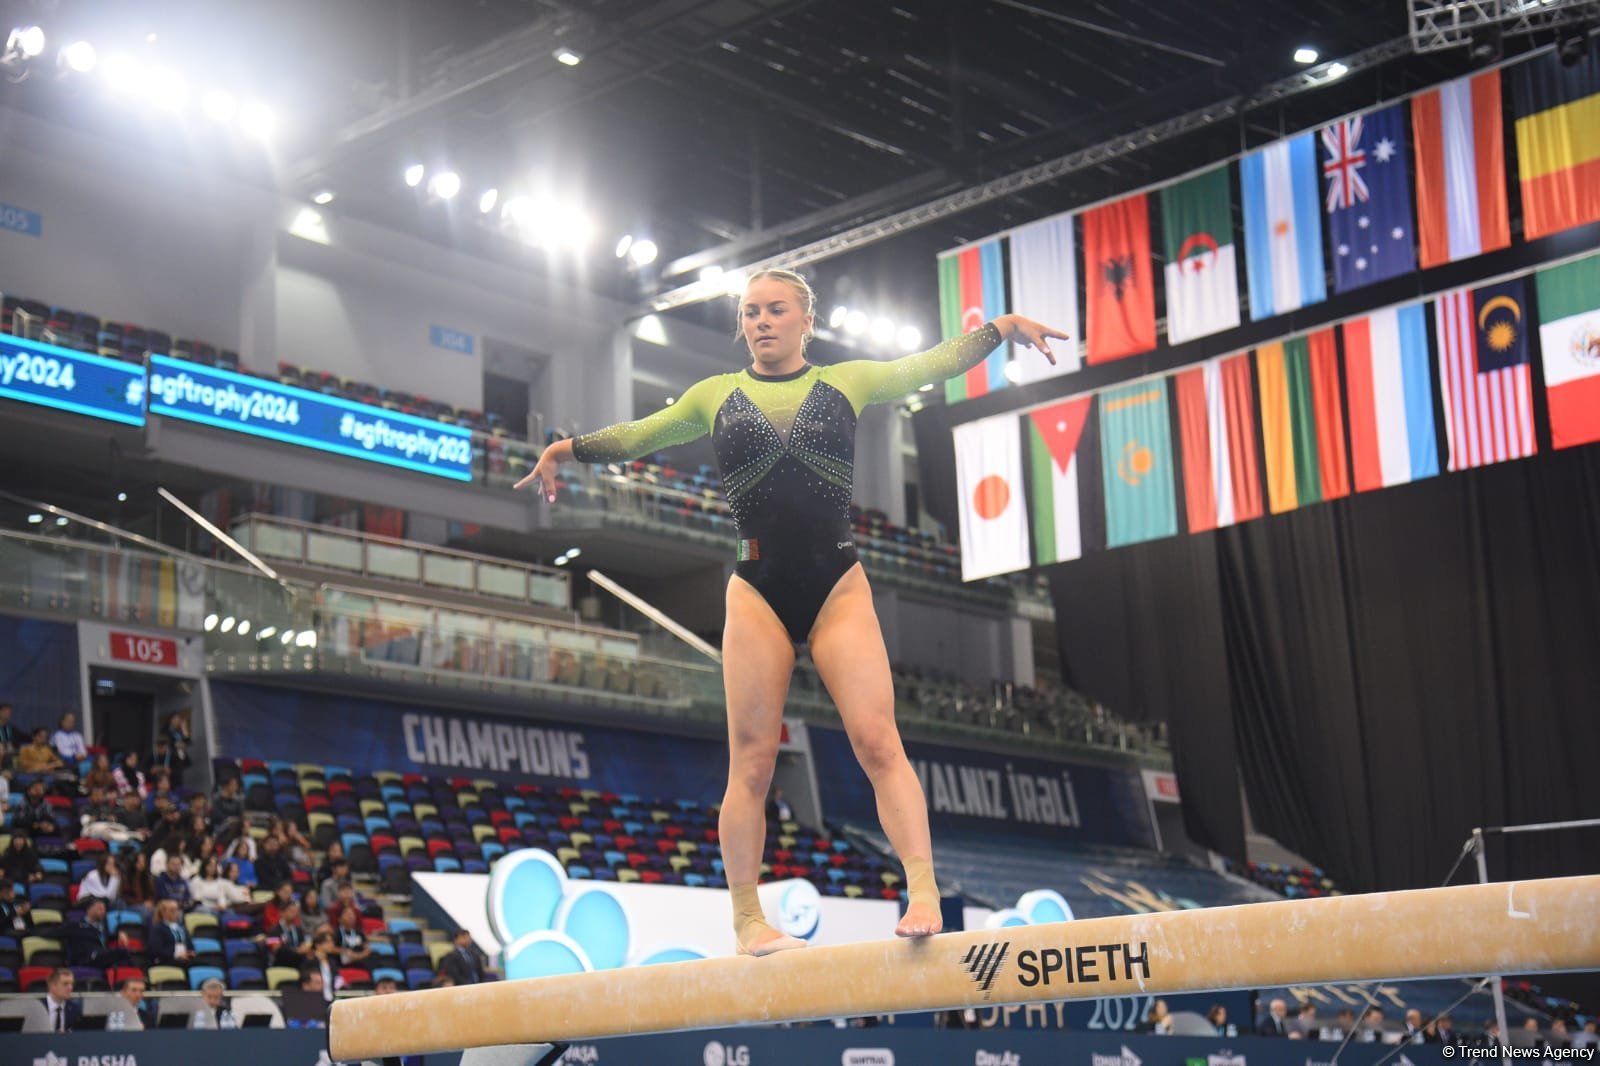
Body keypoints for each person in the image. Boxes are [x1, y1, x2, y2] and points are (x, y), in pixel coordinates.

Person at [516, 270, 1064, 953]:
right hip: (757, 591)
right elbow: (640, 435)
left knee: (876, 740)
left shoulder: (849, 381)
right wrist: (566, 448)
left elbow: (930, 362)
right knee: (750, 765)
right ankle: (748, 919)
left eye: (776, 310)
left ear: (807, 319)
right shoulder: (713, 396)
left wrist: (1002, 330)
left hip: (836, 586)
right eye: (750, 313)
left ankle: (922, 888)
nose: (761, 322)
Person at [62, 897, 135, 968]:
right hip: (86, 958)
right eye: (100, 908)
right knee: (120, 953)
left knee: (125, 952)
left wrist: (119, 933)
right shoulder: (77, 925)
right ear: (89, 909)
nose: (103, 911)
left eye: (104, 909)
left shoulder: (103, 926)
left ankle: (134, 974)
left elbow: (108, 936)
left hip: (101, 956)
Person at [148, 898, 193, 965]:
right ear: (163, 913)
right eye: (172, 910)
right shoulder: (158, 928)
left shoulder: (182, 927)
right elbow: (157, 950)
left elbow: (190, 945)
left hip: (185, 959)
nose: (176, 913)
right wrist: (176, 955)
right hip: (167, 960)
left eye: (177, 910)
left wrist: (190, 953)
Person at [43, 967, 81, 1032]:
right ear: (52, 985)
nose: (70, 988)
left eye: (71, 984)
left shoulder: (74, 1009)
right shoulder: (39, 1007)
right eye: (65, 984)